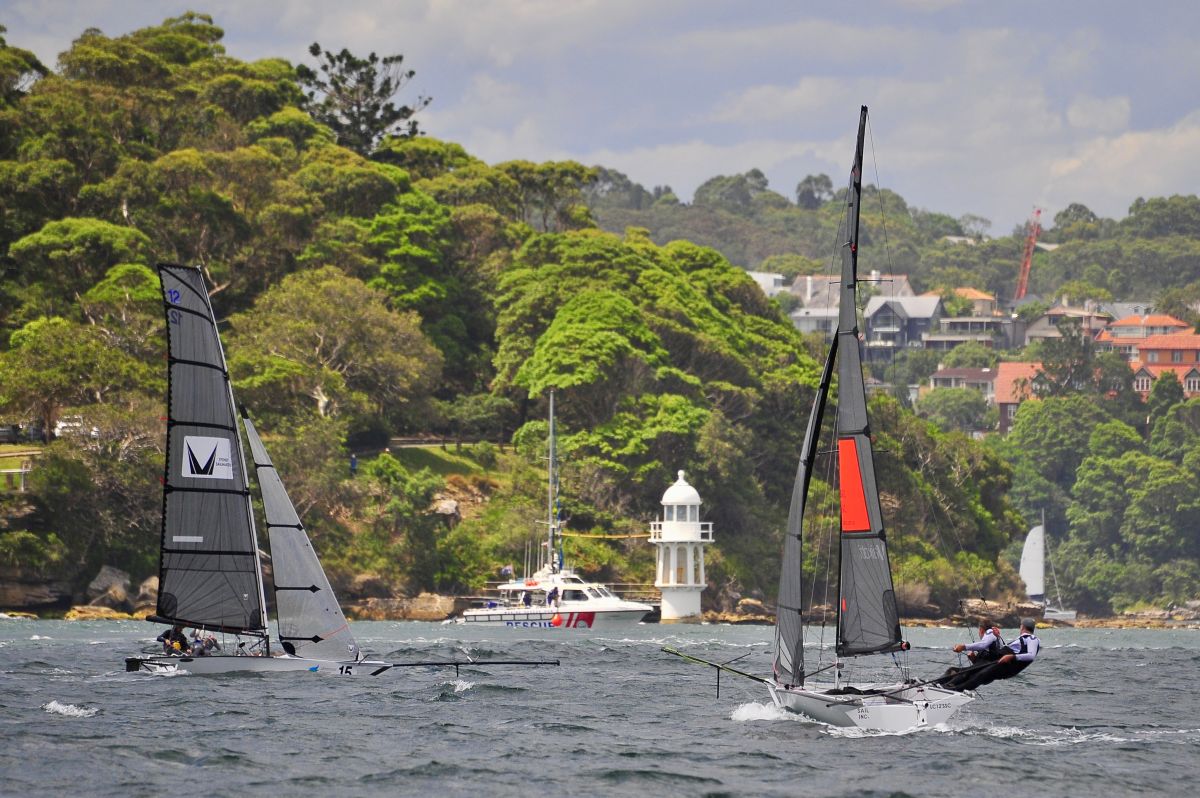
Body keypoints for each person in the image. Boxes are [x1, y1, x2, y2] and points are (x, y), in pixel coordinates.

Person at [940, 618, 1040, 692]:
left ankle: (951, 689)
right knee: (974, 674)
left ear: (1022, 626)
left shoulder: (1032, 638)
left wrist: (1012, 656)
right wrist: (975, 659)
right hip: (1000, 662)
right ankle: (945, 686)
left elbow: (1031, 655)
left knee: (978, 675)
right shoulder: (1022, 639)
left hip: (1006, 664)